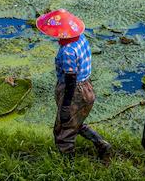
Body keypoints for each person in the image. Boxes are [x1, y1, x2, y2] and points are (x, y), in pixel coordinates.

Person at [36, 9, 111, 161]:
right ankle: (101, 144)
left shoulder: (67, 52)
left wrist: (65, 106)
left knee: (63, 131)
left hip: (74, 92)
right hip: (86, 87)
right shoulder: (81, 39)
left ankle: (68, 165)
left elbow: (70, 79)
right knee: (75, 122)